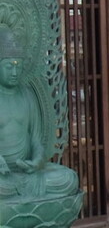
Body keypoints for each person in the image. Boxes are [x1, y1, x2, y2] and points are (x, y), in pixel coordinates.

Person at [0, 27, 78, 200]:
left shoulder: (27, 96)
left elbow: (36, 140)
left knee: (68, 179)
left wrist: (37, 161)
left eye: (18, 66)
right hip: (2, 177)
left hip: (27, 175)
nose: (14, 72)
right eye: (8, 67)